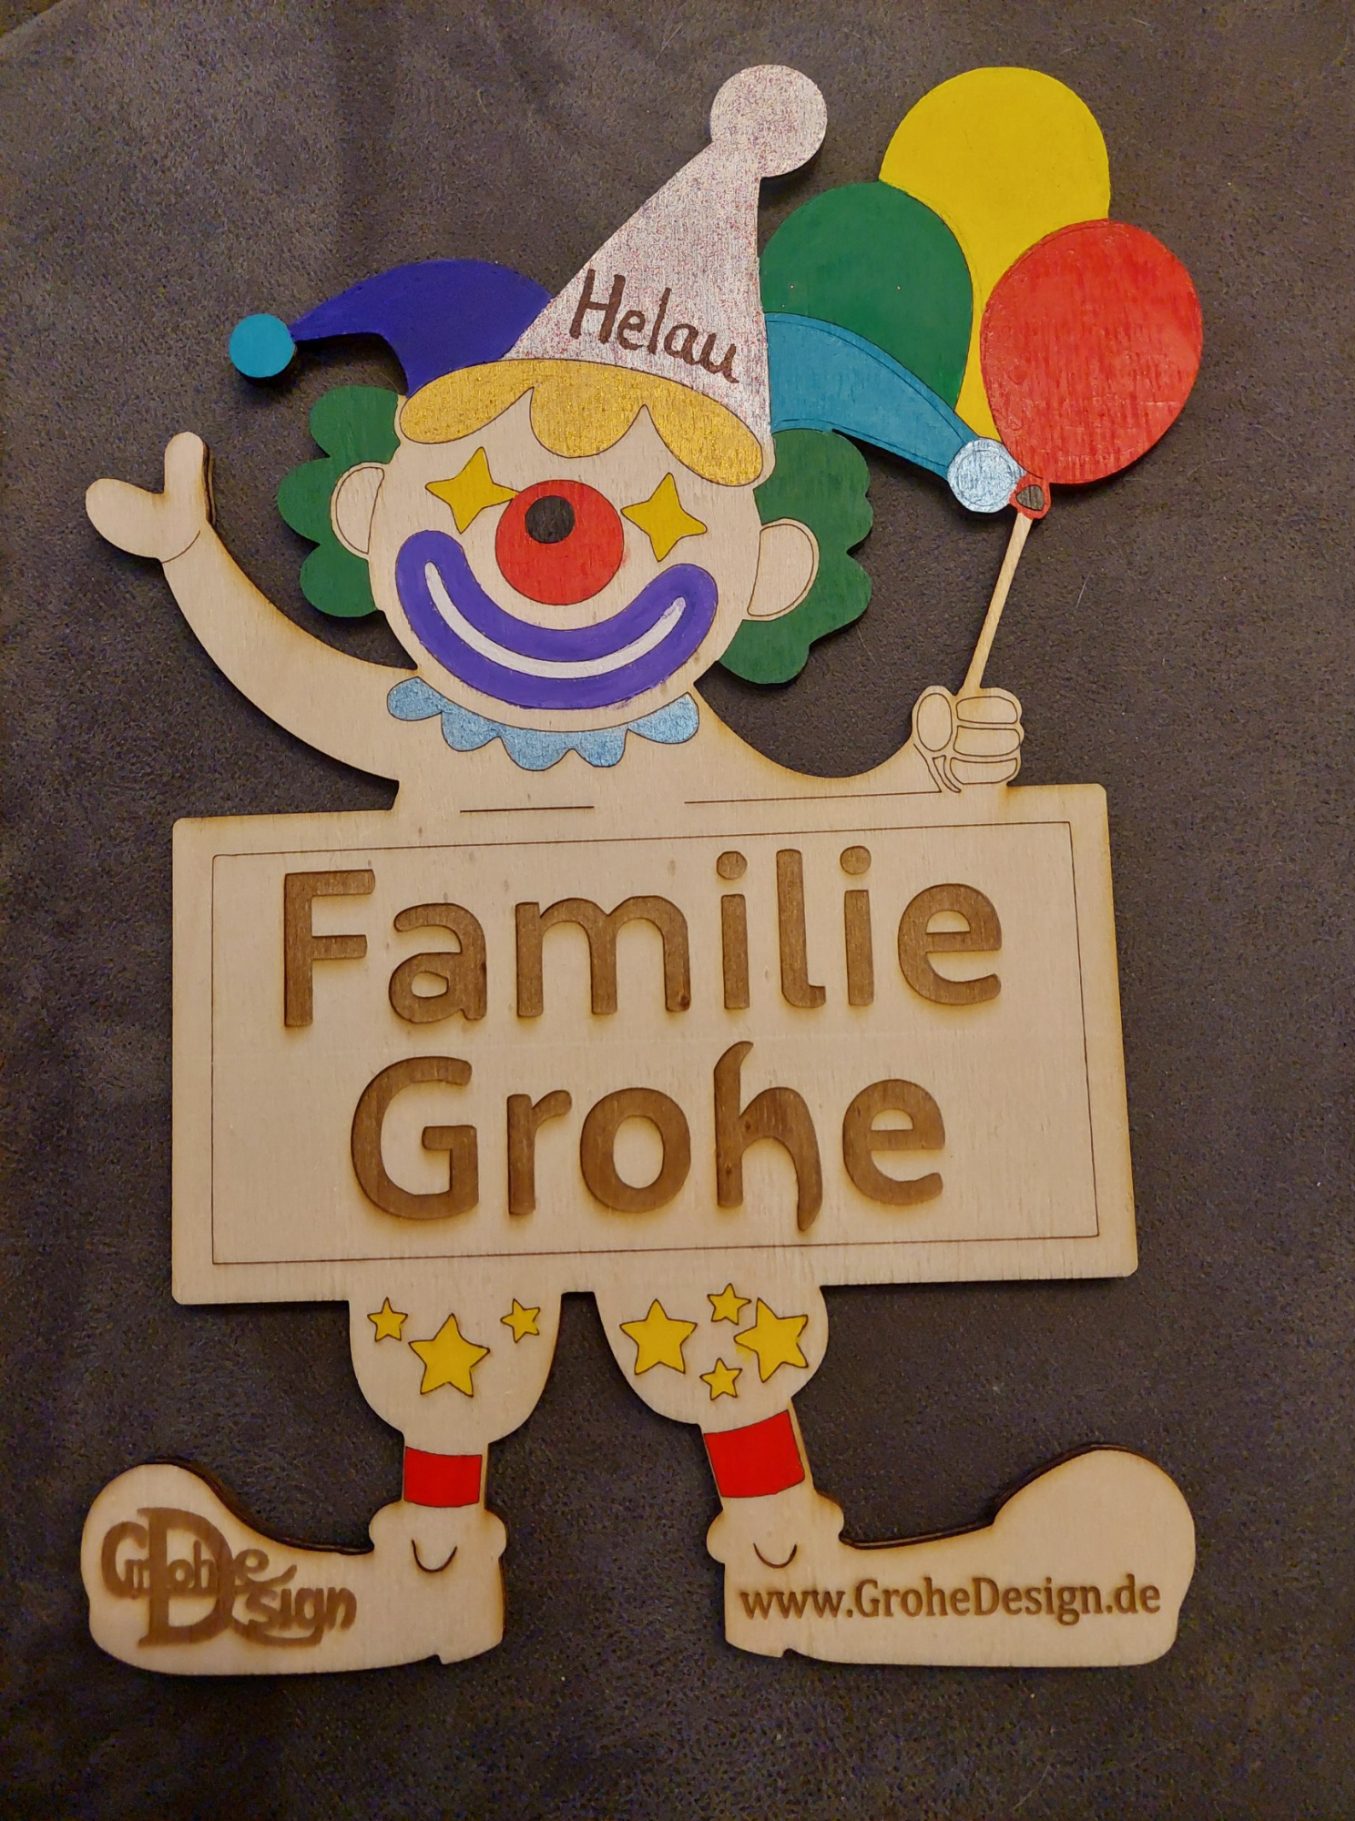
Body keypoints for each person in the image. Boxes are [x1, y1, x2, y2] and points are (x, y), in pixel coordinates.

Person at [85, 66, 1033, 1667]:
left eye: (644, 517)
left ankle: (782, 1544)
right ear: (379, 511)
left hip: (680, 1105)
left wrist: (936, 779)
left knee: (719, 1283)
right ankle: (430, 1555)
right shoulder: (427, 717)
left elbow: (827, 848)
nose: (564, 544)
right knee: (439, 1285)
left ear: (761, 576)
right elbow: (289, 684)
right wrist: (192, 553)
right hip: (453, 1116)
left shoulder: (679, 744)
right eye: (515, 497)